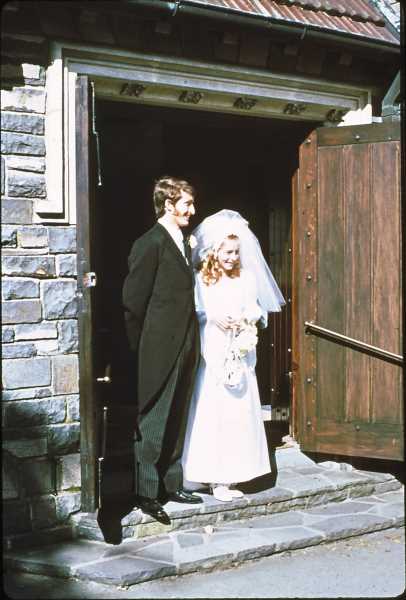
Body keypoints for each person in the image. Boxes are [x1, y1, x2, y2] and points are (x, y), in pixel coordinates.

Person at [182, 209, 285, 502]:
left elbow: (255, 309)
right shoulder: (202, 278)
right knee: (213, 412)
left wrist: (245, 319)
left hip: (239, 351)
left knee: (237, 413)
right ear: (215, 251)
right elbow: (195, 310)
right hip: (213, 349)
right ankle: (210, 476)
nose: (232, 257)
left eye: (236, 252)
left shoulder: (247, 277)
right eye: (227, 252)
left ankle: (233, 474)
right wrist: (212, 317)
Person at [121, 175, 203, 525]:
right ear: (168, 205)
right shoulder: (150, 243)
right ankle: (147, 493)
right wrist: (143, 348)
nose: (192, 210)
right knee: (153, 422)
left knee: (177, 416)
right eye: (187, 204)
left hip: (186, 344)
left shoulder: (183, 242)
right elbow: (133, 303)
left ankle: (172, 483)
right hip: (158, 349)